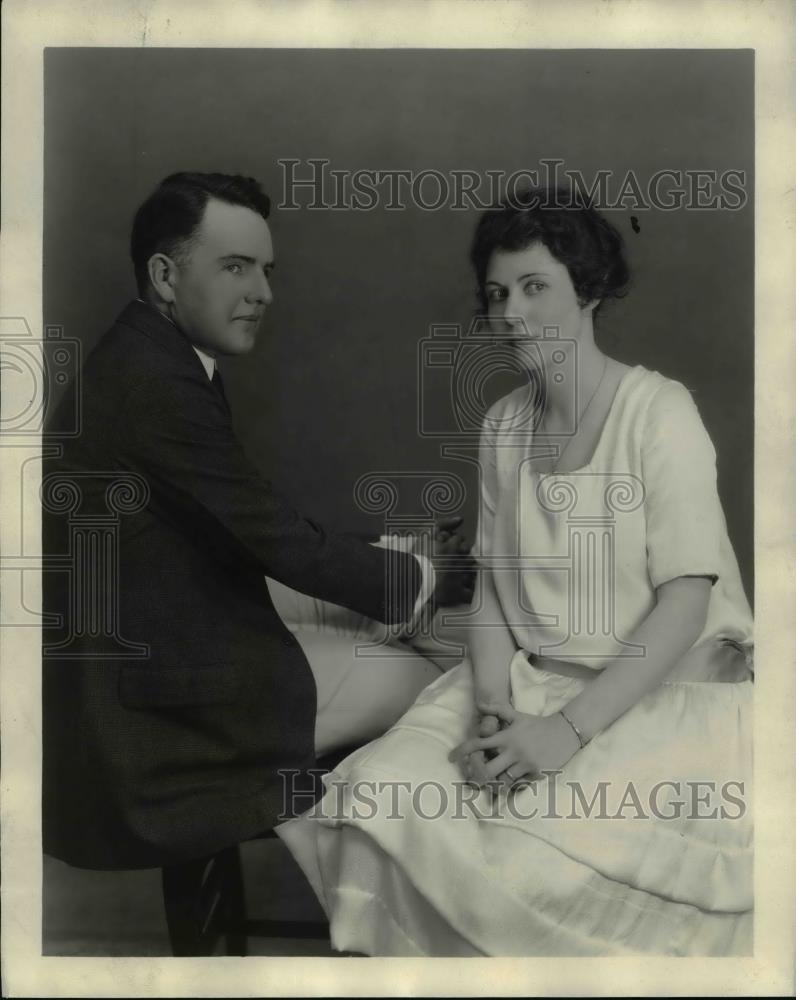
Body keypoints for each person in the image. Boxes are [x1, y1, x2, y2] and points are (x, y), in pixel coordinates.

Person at [276, 188, 754, 956]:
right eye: (498, 293)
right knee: (380, 798)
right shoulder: (505, 422)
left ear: (589, 291)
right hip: (528, 680)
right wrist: (494, 711)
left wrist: (563, 734)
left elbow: (684, 605)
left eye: (536, 288)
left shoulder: (659, 412)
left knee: (537, 858)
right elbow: (495, 586)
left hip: (654, 695)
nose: (510, 314)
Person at [41, 172, 472, 871]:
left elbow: (239, 518)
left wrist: (405, 564)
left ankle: (428, 598)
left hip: (163, 615)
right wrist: (425, 577)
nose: (263, 292)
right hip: (152, 703)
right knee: (434, 682)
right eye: (235, 267)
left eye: (266, 270)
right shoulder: (153, 384)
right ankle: (416, 881)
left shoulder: (154, 354)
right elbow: (271, 536)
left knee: (414, 605)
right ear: (165, 275)